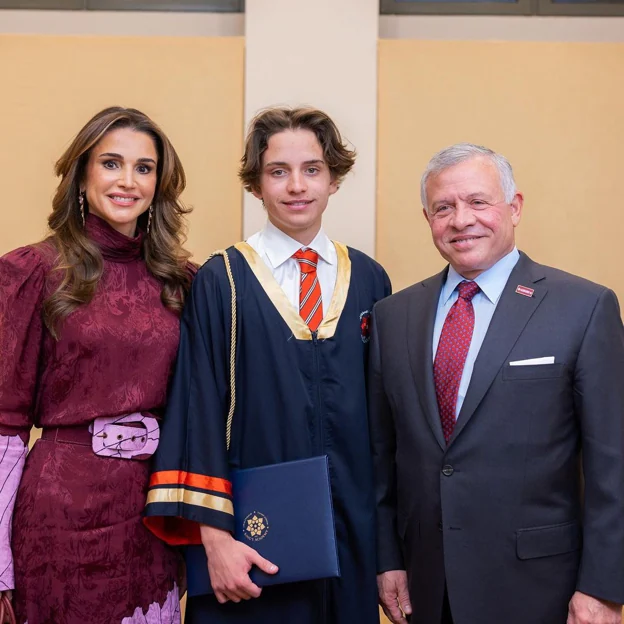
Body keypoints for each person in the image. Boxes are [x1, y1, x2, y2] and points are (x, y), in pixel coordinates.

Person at [144, 106, 391, 624]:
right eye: (278, 171)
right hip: (252, 538)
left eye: (312, 169)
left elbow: (386, 426)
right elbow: (198, 410)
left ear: (334, 179)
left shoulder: (369, 280)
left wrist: (389, 553)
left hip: (352, 536)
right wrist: (214, 540)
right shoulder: (221, 281)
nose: (296, 186)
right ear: (256, 184)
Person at [369, 143, 624, 624]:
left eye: (478, 202)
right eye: (443, 208)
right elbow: (383, 459)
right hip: (428, 586)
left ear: (515, 207)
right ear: (428, 219)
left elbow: (614, 462)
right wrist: (388, 560)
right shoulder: (393, 317)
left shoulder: (583, 309)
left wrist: (603, 589)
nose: (461, 219)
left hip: (542, 588)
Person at [0, 106, 195, 624]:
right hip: (59, 514)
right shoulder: (32, 270)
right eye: (111, 163)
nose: (128, 181)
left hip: (155, 510)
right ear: (82, 175)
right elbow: (5, 422)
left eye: (144, 167)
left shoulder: (184, 282)